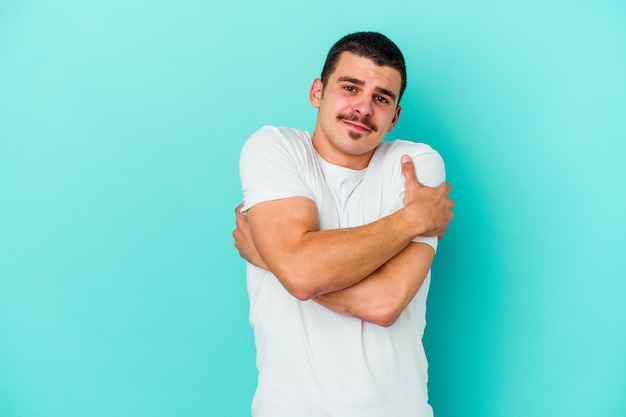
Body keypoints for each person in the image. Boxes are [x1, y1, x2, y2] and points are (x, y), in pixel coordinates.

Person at [233, 32, 454, 417]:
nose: (363, 108)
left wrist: (273, 259)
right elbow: (301, 273)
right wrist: (413, 217)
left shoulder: (416, 165)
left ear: (394, 117)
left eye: (381, 98)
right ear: (317, 92)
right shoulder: (274, 147)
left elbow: (386, 303)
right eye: (350, 87)